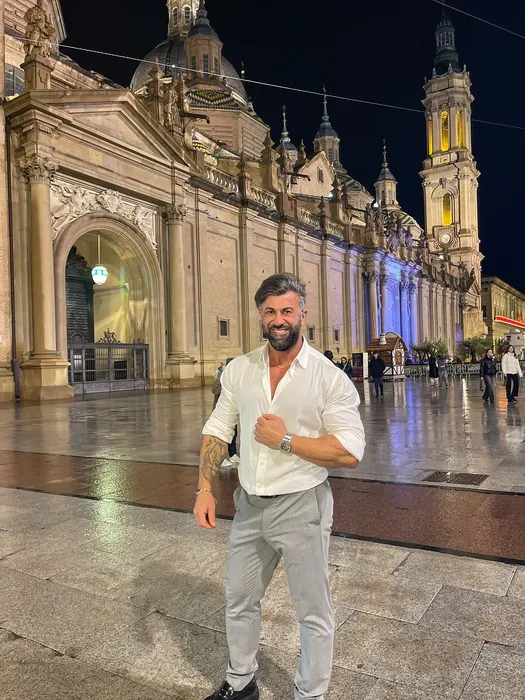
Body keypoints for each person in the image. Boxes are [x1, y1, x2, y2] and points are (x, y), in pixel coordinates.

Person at [194, 273, 366, 700]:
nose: (278, 319)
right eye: (270, 311)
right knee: (239, 598)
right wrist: (204, 489)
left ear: (303, 313)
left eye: (287, 310)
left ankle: (310, 694)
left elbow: (350, 450)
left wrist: (286, 440)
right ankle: (241, 682)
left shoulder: (327, 376)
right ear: (260, 314)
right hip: (250, 505)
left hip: (302, 505)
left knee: (312, 610)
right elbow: (218, 429)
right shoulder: (241, 369)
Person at [211, 358, 239, 467]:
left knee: (233, 434)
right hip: (221, 411)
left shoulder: (235, 377)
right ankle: (220, 458)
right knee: (221, 435)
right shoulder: (221, 376)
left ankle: (233, 454)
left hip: (232, 410)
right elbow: (215, 390)